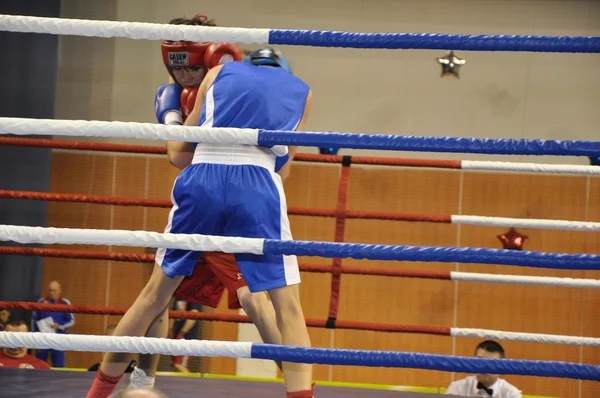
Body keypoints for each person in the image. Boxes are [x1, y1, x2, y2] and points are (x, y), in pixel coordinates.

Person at [119, 15, 286, 392]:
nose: (185, 77)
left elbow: (178, 155)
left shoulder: (231, 88)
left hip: (229, 208)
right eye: (177, 68)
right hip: (197, 206)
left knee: (256, 301)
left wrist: (172, 119)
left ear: (211, 58)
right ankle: (143, 383)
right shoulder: (178, 93)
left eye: (193, 67)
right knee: (159, 298)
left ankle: (295, 382)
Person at [446, 340, 522, 397]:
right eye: (480, 361)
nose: (485, 367)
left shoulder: (511, 394)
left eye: (492, 363)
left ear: (501, 367)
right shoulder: (457, 388)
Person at [31, 280, 75, 367]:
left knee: (59, 365)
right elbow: (34, 320)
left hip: (58, 338)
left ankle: (60, 380)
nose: (52, 293)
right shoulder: (40, 302)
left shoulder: (65, 302)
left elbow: (71, 321)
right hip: (42, 338)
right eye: (50, 290)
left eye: (54, 290)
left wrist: (60, 326)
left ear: (59, 291)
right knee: (39, 363)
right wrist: (34, 337)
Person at [167, 299, 202, 373]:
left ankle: (192, 384)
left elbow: (194, 314)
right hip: (176, 337)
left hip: (186, 338)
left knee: (179, 365)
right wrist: (171, 330)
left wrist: (183, 332)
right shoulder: (179, 296)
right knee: (174, 364)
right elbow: (173, 313)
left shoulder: (194, 296)